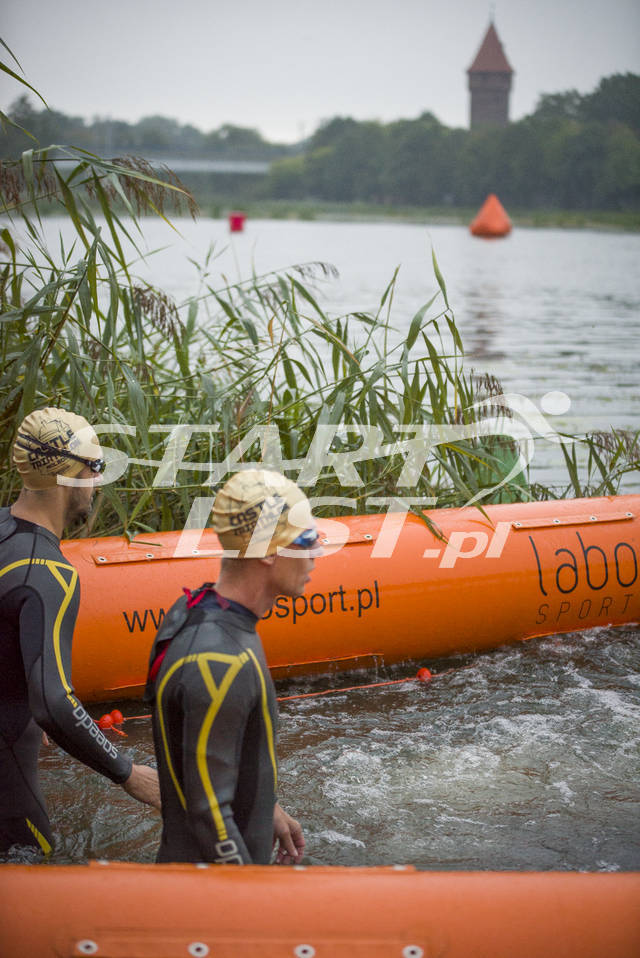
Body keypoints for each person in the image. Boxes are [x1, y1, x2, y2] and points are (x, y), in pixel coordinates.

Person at [0, 407, 160, 858]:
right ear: (71, 476)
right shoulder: (48, 573)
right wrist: (128, 773)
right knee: (35, 877)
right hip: (8, 776)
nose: (97, 481)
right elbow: (54, 703)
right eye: (97, 467)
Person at [144, 468, 321, 865]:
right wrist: (250, 901)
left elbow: (198, 758)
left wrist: (265, 804)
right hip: (209, 901)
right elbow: (209, 818)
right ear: (270, 552)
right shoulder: (220, 660)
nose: (317, 553)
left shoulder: (191, 612)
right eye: (307, 539)